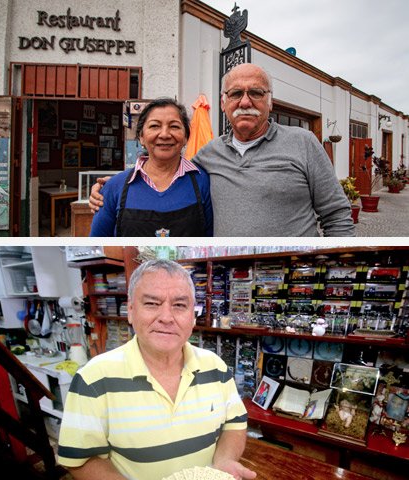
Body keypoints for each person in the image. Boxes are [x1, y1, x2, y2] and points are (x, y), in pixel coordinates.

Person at [89, 63, 354, 237]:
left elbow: (336, 215)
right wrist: (108, 188)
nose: (246, 101)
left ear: (270, 102)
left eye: (257, 93)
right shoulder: (208, 155)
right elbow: (164, 170)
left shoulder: (304, 142)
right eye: (236, 93)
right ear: (224, 103)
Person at [57, 259, 254, 480]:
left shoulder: (215, 367)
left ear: (193, 316)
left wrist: (225, 461)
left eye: (179, 305)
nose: (166, 318)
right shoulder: (93, 379)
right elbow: (81, 460)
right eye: (152, 304)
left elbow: (234, 423)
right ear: (131, 311)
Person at [90, 97, 213, 237]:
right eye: (155, 126)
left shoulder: (203, 182)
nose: (165, 134)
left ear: (185, 137)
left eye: (174, 126)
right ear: (141, 137)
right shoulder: (114, 187)